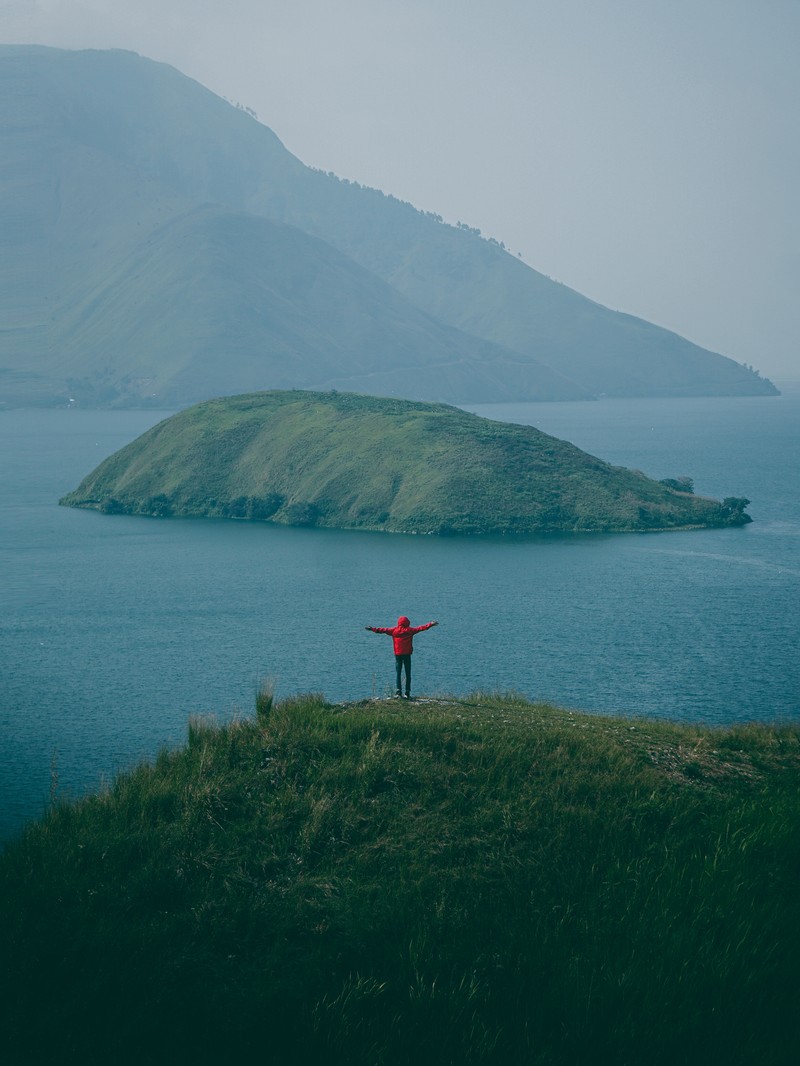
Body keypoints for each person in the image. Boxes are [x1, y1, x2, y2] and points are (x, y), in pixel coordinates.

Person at [365, 616, 439, 699]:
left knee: (398, 674)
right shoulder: (410, 631)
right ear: (407, 623)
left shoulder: (394, 631)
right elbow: (421, 628)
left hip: (398, 655)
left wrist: (372, 629)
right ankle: (407, 693)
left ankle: (398, 692)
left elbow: (382, 630)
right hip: (407, 655)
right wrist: (431, 624)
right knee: (408, 674)